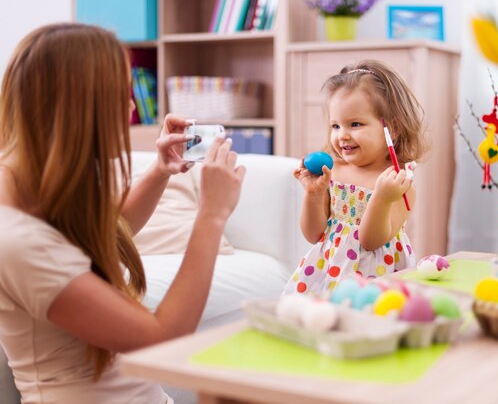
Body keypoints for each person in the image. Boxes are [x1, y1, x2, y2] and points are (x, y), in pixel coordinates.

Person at [0, 23, 246, 404]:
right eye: (122, 94)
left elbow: (105, 238)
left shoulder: (36, 182)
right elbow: (161, 339)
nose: (132, 108)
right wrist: (211, 215)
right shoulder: (15, 237)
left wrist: (160, 171)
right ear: (81, 106)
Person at [283, 60, 428, 295]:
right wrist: (313, 193)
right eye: (336, 126)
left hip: (374, 282)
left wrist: (381, 198)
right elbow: (313, 234)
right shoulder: (334, 173)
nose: (343, 136)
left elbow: (370, 241)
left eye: (355, 124)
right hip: (328, 275)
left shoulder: (397, 182)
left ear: (392, 129)